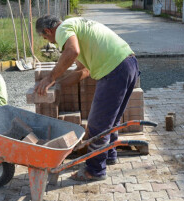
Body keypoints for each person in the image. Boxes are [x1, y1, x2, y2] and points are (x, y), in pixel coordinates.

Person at [35, 15, 139, 181]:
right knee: (111, 120)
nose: (51, 42)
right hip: (129, 63)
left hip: (113, 69)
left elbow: (72, 51)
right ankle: (109, 155)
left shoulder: (62, 29)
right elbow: (82, 71)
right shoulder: (77, 28)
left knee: (97, 126)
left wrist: (50, 77)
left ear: (48, 30)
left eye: (46, 37)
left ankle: (95, 170)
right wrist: (58, 84)